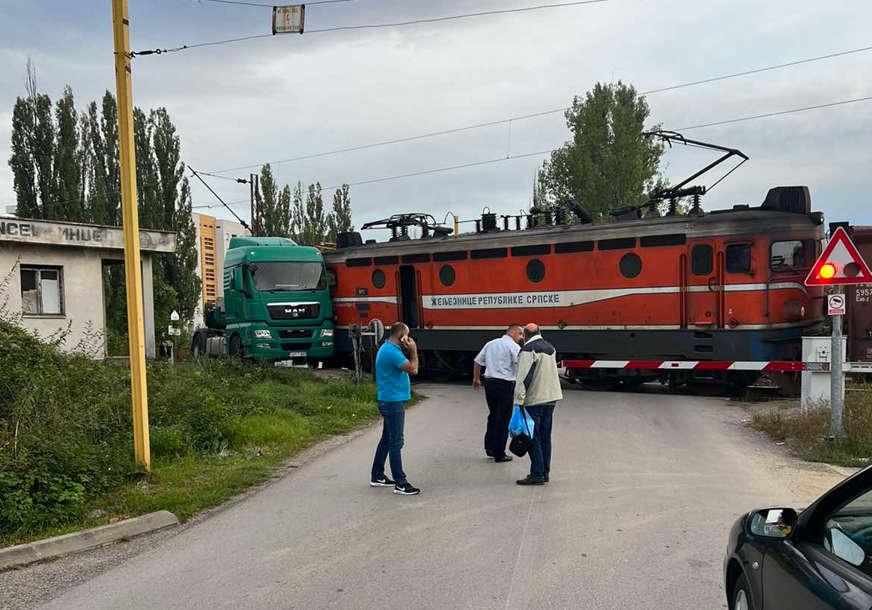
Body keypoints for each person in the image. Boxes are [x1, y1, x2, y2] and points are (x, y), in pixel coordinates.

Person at [370, 322, 421, 495]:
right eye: (408, 335)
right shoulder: (392, 352)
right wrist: (413, 349)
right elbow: (414, 369)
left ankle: (377, 475)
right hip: (392, 402)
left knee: (387, 439)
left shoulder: (388, 348)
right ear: (402, 336)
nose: (409, 339)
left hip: (388, 400)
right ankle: (401, 483)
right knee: (396, 442)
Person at [513, 323, 563, 486]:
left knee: (532, 437)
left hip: (535, 399)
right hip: (551, 398)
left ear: (525, 335)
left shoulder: (528, 350)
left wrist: (518, 401)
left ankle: (537, 474)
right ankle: (545, 472)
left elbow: (523, 377)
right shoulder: (551, 348)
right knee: (545, 437)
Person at [473, 324, 524, 462]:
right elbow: (520, 366)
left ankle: (489, 447)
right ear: (513, 333)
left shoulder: (491, 344)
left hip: (490, 384)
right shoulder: (514, 347)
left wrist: (476, 378)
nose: (521, 338)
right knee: (503, 419)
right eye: (520, 334)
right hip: (505, 385)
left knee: (493, 415)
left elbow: (477, 361)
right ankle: (499, 453)